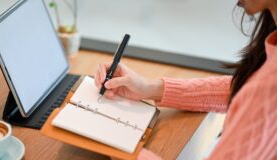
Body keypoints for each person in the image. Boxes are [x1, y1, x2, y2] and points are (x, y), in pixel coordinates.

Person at [94, 0, 277, 159]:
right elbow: (246, 87)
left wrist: (126, 149)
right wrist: (150, 87)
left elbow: (259, 94)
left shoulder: (268, 87)